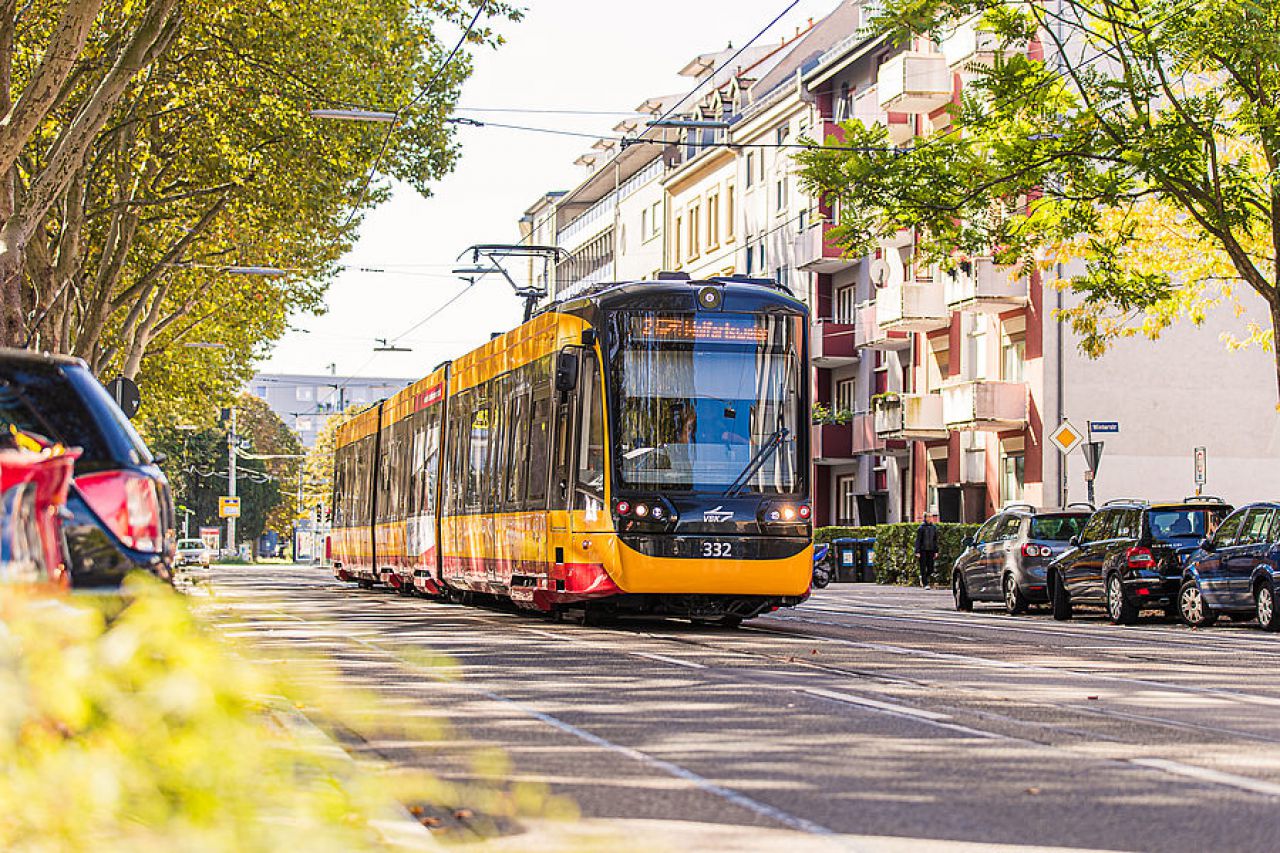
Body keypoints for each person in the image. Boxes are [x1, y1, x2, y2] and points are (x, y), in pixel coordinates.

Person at [915, 511, 940, 589]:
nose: (930, 518)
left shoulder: (934, 528)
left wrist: (936, 551)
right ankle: (925, 584)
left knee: (930, 568)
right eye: (928, 517)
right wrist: (917, 551)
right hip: (923, 550)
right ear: (925, 518)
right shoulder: (921, 528)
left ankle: (923, 577)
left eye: (931, 517)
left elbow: (935, 540)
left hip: (931, 549)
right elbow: (918, 540)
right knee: (923, 566)